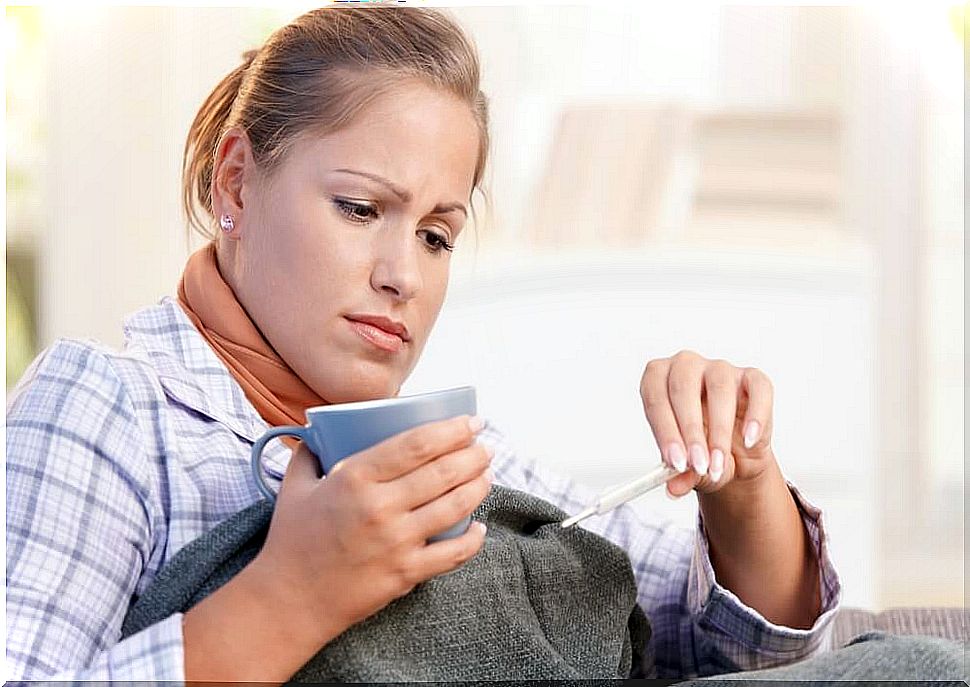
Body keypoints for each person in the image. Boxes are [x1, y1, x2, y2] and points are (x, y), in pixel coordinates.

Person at [6, 6, 963, 684]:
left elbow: (733, 641)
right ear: (237, 184)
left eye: (435, 234)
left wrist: (742, 485)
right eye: (358, 208)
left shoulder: (458, 453)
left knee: (915, 667)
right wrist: (292, 595)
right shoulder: (107, 406)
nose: (404, 276)